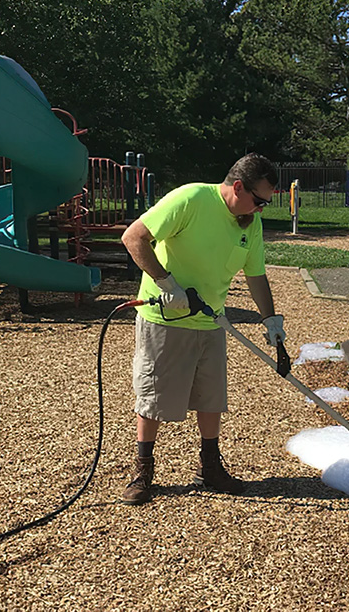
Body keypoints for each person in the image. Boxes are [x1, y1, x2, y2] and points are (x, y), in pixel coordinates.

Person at [120, 153, 286, 505]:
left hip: (211, 321)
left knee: (211, 398)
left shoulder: (249, 223)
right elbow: (134, 238)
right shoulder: (192, 198)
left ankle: (209, 468)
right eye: (258, 200)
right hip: (165, 319)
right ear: (238, 187)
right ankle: (143, 470)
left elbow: (255, 275)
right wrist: (167, 284)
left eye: (265, 204)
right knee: (153, 396)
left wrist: (270, 318)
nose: (260, 209)